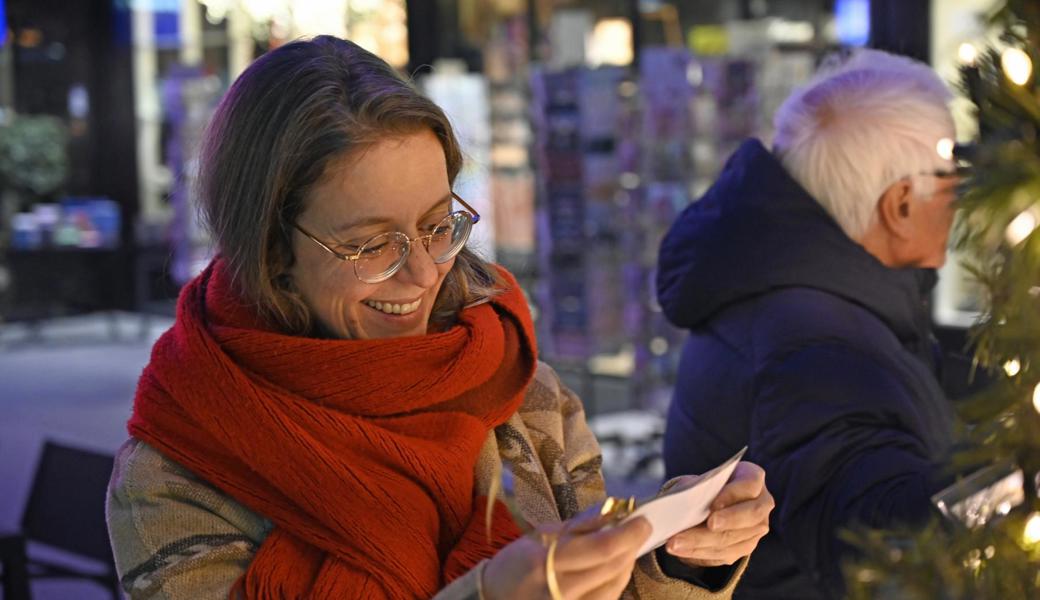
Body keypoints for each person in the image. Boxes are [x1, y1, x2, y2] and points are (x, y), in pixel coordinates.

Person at [106, 36, 773, 600]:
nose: (424, 273)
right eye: (370, 244)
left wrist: (675, 550)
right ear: (271, 251)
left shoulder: (515, 384)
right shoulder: (175, 471)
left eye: (436, 226)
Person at [656, 49, 960, 599]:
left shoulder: (809, 290)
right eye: (951, 173)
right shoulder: (816, 347)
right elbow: (886, 548)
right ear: (901, 204)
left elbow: (918, 378)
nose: (960, 194)